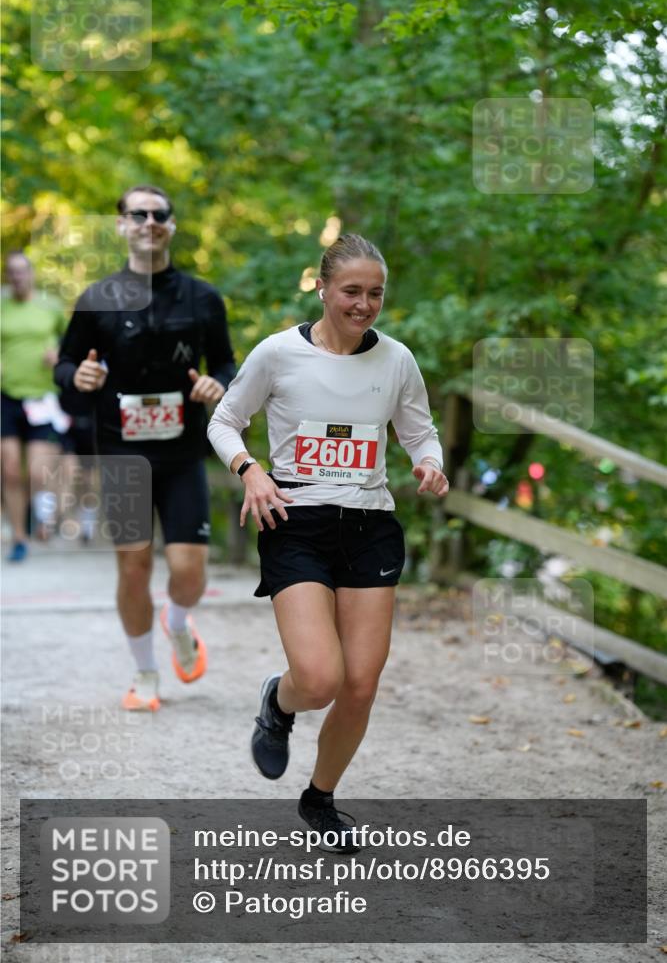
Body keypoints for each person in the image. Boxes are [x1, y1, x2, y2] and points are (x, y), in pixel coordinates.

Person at [208, 233, 448, 851]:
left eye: (375, 293)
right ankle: (279, 700)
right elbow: (225, 420)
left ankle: (320, 798)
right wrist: (250, 471)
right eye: (351, 291)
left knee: (361, 683)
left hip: (370, 525)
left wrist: (429, 463)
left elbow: (419, 432)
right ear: (322, 288)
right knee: (319, 679)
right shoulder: (277, 354)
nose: (364, 304)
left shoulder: (396, 360)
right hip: (297, 523)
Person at [55, 185, 236, 712]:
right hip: (122, 453)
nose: (150, 222)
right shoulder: (97, 300)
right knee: (133, 567)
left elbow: (226, 364)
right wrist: (80, 375)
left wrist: (217, 383)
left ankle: (177, 622)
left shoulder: (203, 298)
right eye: (139, 214)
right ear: (121, 226)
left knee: (187, 569)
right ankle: (145, 673)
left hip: (181, 453)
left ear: (172, 226)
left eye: (160, 215)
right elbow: (64, 369)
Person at [1, 251, 67, 560]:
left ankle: (36, 514)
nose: (17, 277)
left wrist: (59, 355)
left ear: (31, 274)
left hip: (43, 397)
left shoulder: (50, 307)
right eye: (11, 272)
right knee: (11, 470)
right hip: (7, 395)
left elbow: (71, 345)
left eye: (21, 271)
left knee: (39, 473)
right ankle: (18, 536)